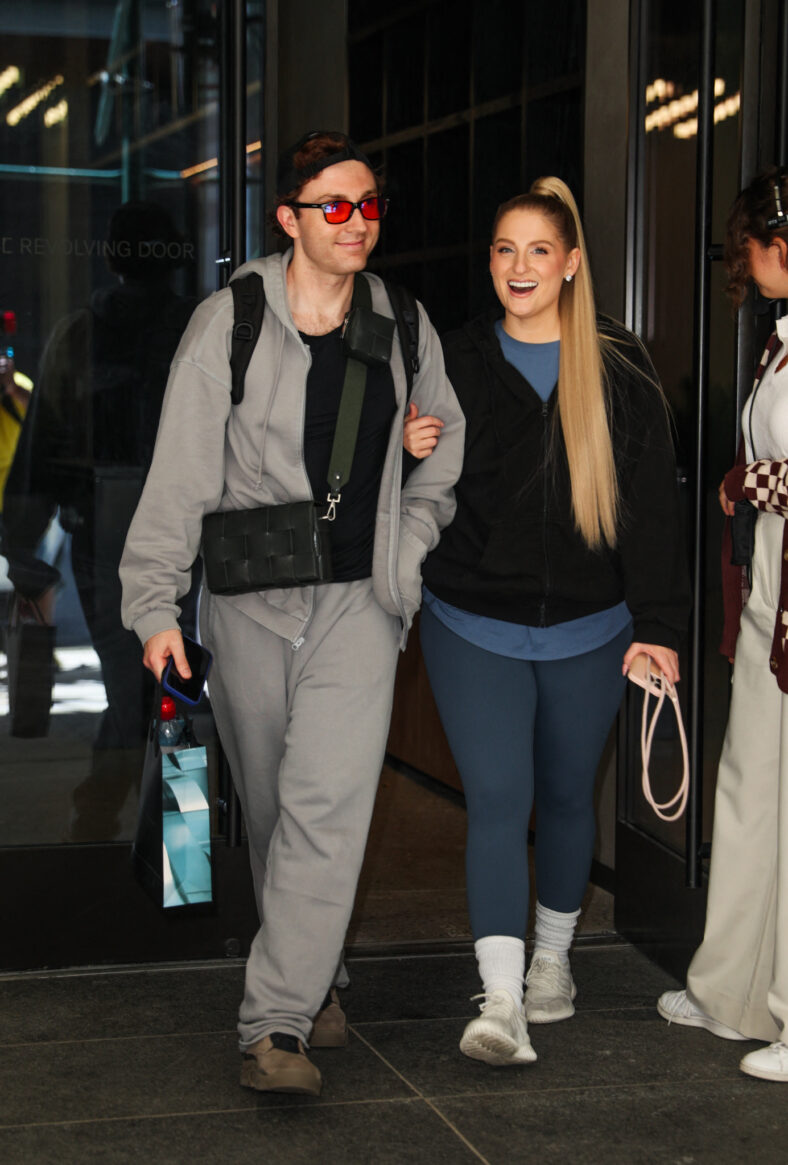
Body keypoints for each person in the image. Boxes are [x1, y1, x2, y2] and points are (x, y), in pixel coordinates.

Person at [119, 130, 464, 1096]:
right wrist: (154, 606)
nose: (357, 224)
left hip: (360, 601)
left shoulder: (402, 321)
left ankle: (275, 1023)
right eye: (335, 207)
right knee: (273, 804)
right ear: (290, 218)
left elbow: (445, 452)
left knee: (328, 803)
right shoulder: (226, 324)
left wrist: (407, 542)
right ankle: (314, 979)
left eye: (368, 207)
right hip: (248, 606)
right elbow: (178, 479)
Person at [405, 177, 689, 1067]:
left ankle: (552, 966)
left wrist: (659, 625)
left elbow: (652, 509)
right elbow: (398, 482)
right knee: (499, 798)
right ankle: (499, 1000)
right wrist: (401, 445)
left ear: (570, 264)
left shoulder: (621, 369)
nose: (518, 267)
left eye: (537, 251)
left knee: (568, 796)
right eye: (503, 250)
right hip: (471, 620)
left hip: (594, 628)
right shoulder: (449, 359)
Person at [2, 201, 198, 834]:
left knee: (134, 685)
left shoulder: (80, 334)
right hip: (188, 536)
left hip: (104, 538)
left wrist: (24, 545)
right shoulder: (202, 332)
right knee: (176, 691)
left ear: (112, 257)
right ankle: (177, 849)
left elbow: (40, 451)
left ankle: (109, 822)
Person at [657, 166, 788, 1083]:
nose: (745, 261)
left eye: (751, 243)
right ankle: (734, 987)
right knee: (751, 771)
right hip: (773, 566)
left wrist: (754, 482)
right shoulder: (780, 342)